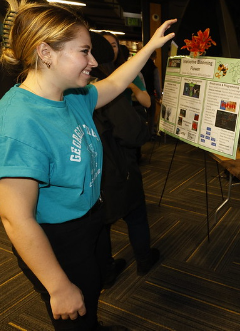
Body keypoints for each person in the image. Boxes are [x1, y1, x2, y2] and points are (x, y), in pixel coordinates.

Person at [0, 2, 176, 330]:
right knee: (75, 313)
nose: (94, 62)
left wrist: (151, 47)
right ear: (46, 52)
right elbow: (16, 218)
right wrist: (58, 286)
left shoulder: (72, 96)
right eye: (84, 51)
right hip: (56, 239)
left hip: (90, 220)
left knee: (92, 294)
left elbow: (115, 83)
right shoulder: (18, 119)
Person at [89, 32, 160, 288]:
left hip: (89, 172)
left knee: (101, 224)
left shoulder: (60, 89)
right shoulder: (102, 87)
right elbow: (133, 132)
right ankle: (144, 260)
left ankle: (106, 271)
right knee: (135, 214)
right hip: (116, 167)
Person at [101, 32, 151, 109]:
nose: (110, 49)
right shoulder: (90, 70)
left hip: (122, 117)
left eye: (114, 46)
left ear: (118, 49)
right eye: (105, 45)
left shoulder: (127, 71)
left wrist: (131, 86)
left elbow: (147, 103)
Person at [141, 50, 162, 135]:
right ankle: (150, 133)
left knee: (142, 115)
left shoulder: (140, 66)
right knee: (151, 115)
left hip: (139, 95)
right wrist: (159, 95)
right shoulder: (154, 68)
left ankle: (142, 133)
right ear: (154, 57)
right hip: (150, 94)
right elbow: (157, 83)